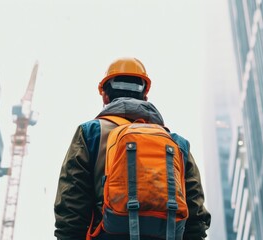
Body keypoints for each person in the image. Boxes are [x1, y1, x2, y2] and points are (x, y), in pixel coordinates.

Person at [54, 57, 211, 240]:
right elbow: (196, 216)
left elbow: (71, 203)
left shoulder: (91, 133)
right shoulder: (176, 143)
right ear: (145, 95)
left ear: (105, 95)